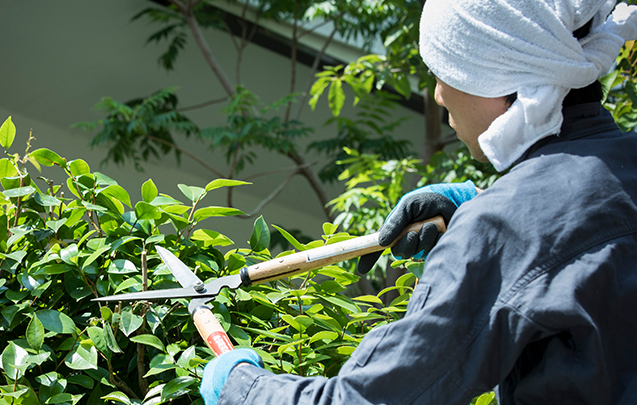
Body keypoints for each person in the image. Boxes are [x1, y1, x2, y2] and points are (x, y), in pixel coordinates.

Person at [199, 0, 637, 404]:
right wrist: (476, 204)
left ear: (500, 78)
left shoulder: (502, 230)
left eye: (448, 70)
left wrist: (241, 388)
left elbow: (368, 400)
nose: (439, 94)